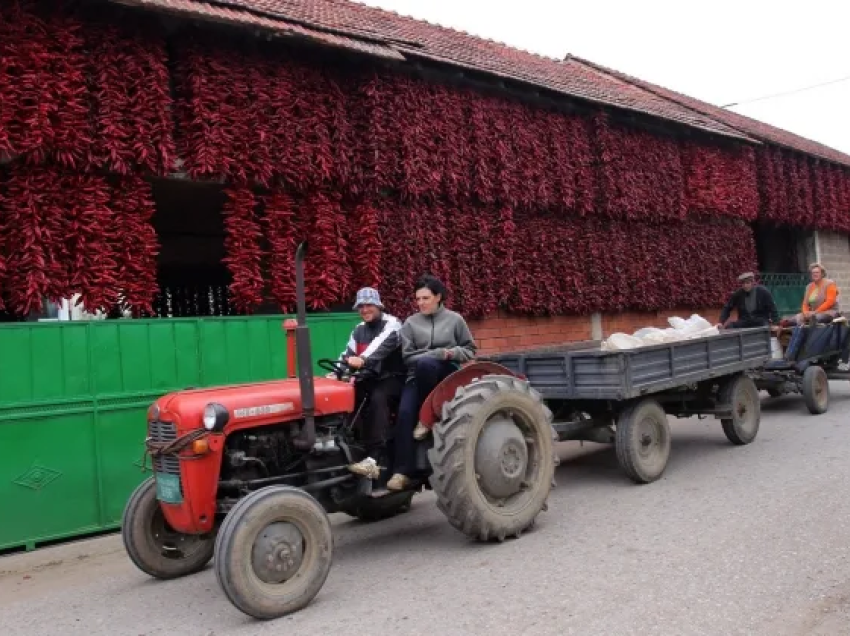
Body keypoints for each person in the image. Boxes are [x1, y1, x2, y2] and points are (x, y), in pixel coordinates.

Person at [386, 275, 477, 492]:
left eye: (426, 298)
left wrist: (447, 353)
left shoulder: (455, 320)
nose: (421, 303)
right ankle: (402, 472)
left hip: (447, 374)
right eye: (418, 299)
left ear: (438, 297)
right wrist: (431, 355)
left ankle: (426, 419)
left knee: (430, 363)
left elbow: (470, 350)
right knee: (405, 414)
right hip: (417, 375)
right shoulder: (410, 323)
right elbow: (407, 357)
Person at [338, 288, 406, 481]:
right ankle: (345, 446)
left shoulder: (392, 324)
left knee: (378, 397)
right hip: (369, 378)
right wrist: (336, 371)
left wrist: (363, 359)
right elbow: (346, 354)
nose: (365, 309)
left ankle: (373, 459)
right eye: (361, 306)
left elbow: (379, 346)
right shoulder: (359, 329)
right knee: (348, 396)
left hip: (393, 378)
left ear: (378, 305)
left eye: (369, 305)